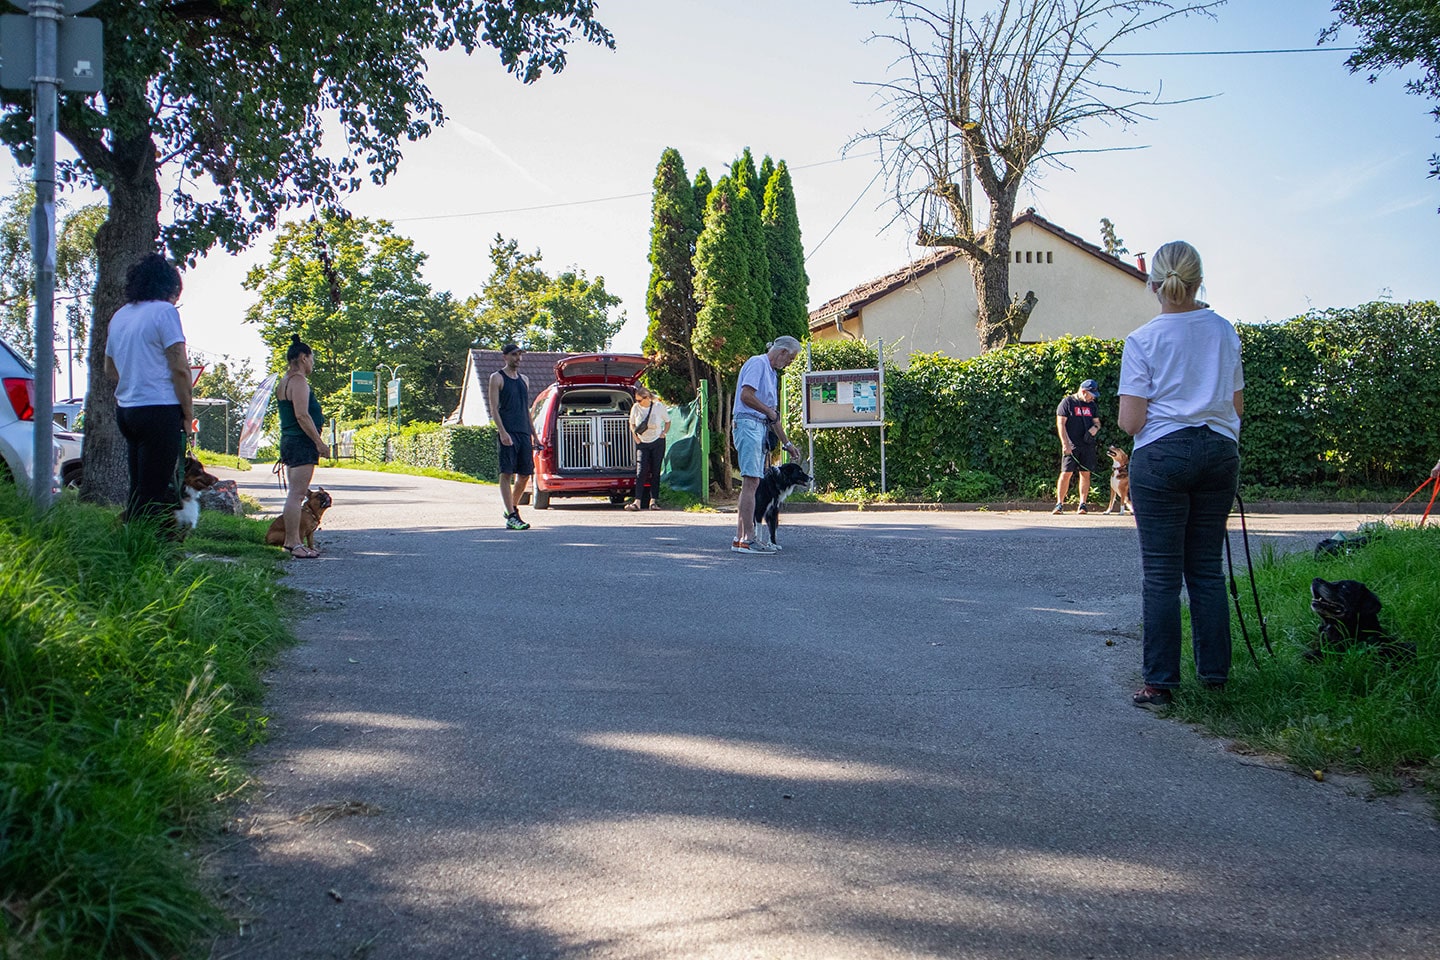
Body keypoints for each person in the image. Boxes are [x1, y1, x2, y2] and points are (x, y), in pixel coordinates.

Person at [1119, 240, 1244, 708]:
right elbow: (1236, 406)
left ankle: (1160, 684)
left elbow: (1131, 422)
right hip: (1218, 451)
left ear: (1154, 283)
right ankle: (1215, 677)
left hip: (1162, 456)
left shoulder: (1143, 340)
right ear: (1198, 281)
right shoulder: (1224, 331)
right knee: (1207, 571)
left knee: (1162, 575)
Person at [104, 253, 194, 534]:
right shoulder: (164, 312)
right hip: (160, 409)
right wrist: (188, 416)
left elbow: (109, 368)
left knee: (138, 486)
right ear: (170, 288)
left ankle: (130, 543)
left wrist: (136, 379)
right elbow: (179, 368)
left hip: (128, 410)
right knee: (155, 489)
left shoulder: (121, 315)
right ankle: (151, 552)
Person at [731, 336, 803, 554]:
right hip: (749, 424)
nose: (789, 363)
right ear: (781, 352)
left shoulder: (771, 373)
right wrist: (768, 411)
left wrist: (787, 443)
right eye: (790, 358)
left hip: (758, 426)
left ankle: (741, 538)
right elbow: (746, 395)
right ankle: (747, 539)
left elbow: (773, 417)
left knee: (751, 483)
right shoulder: (758, 363)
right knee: (751, 482)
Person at [276, 334, 330, 558]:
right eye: (312, 358)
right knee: (297, 495)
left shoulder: (284, 381)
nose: (313, 363)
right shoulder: (298, 381)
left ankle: (293, 541)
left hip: (291, 441)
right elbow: (302, 415)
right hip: (301, 442)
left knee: (295, 493)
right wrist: (319, 443)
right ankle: (293, 543)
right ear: (303, 357)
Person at [488, 343, 533, 530]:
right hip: (508, 431)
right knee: (506, 472)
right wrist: (502, 432)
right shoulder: (497, 378)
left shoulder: (525, 380)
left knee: (524, 475)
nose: (518, 358)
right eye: (514, 355)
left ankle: (511, 510)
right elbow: (494, 408)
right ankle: (512, 515)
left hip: (523, 432)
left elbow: (526, 409)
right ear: (505, 357)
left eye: (520, 355)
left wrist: (534, 435)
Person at [1054, 378, 1101, 514]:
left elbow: (1097, 422)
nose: (1093, 398)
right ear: (1084, 391)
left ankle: (1082, 504)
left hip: (1087, 445)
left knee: (1085, 473)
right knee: (1066, 473)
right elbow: (1061, 424)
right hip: (1071, 444)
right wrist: (1065, 444)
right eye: (1091, 395)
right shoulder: (1067, 402)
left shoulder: (1092, 405)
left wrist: (1095, 429)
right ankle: (1059, 504)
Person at [627, 384, 670, 511]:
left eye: (640, 400)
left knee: (656, 472)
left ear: (647, 398)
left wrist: (664, 433)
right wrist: (636, 438)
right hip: (642, 443)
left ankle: (653, 501)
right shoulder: (636, 408)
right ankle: (637, 501)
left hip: (657, 442)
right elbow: (632, 423)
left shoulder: (658, 407)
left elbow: (668, 421)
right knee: (640, 472)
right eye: (636, 400)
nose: (638, 402)